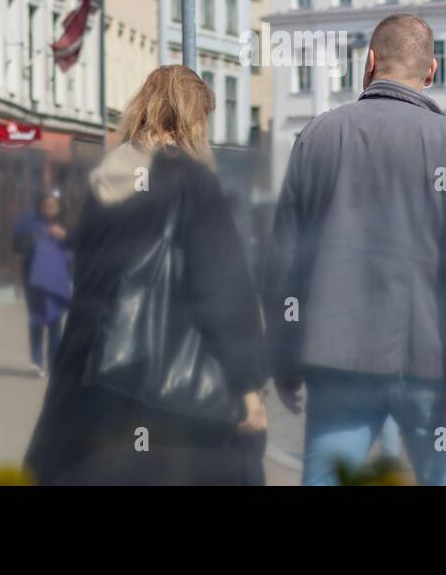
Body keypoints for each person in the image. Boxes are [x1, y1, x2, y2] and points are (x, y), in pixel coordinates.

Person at [264, 13, 446, 486]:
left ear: (368, 62)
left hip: (337, 360)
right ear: (431, 73)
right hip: (431, 363)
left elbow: (285, 263)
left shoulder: (316, 137)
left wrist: (284, 357)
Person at [24, 65, 268, 485]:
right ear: (193, 121)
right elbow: (221, 287)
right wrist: (247, 384)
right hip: (170, 394)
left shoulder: (103, 180)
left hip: (92, 383)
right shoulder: (191, 180)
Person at [12, 189, 74, 377]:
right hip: (34, 281)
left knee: (55, 323)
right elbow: (18, 247)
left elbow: (78, 248)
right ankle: (36, 362)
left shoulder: (68, 226)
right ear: (39, 205)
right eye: (46, 204)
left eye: (53, 205)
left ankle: (54, 363)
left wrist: (64, 236)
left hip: (58, 281)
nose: (50, 208)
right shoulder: (29, 224)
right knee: (37, 320)